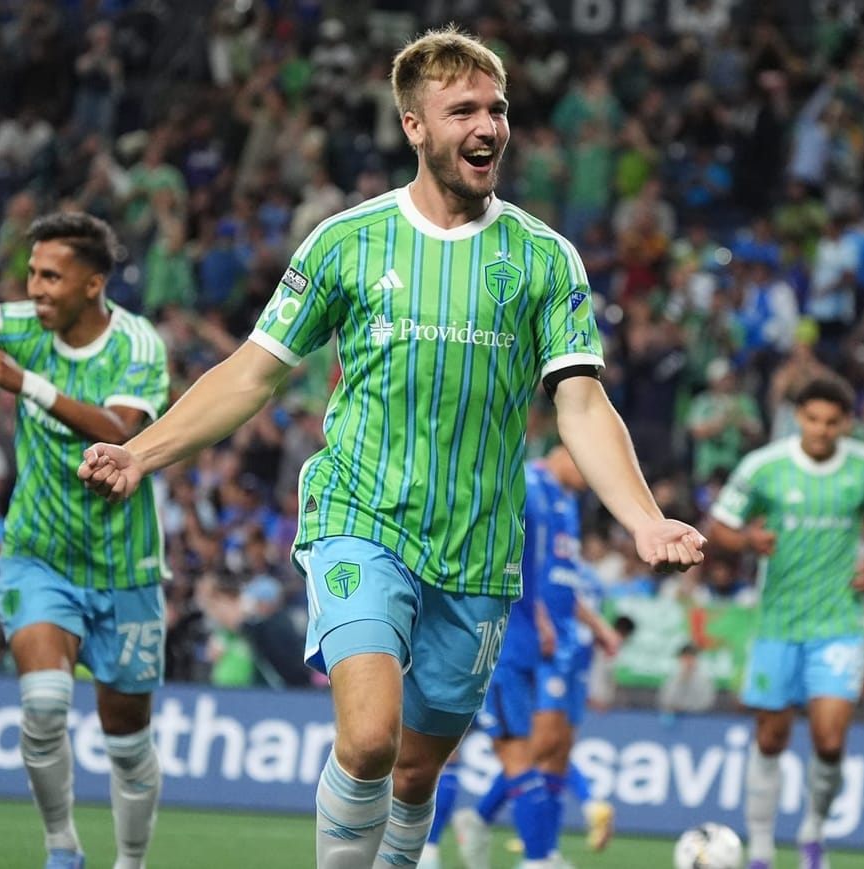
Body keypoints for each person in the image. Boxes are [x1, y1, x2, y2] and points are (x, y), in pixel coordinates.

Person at [79, 27, 705, 869]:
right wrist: (143, 452)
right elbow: (253, 373)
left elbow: (582, 404)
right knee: (370, 738)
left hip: (479, 546)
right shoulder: (346, 243)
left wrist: (642, 515)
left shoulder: (545, 258)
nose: (488, 127)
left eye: (498, 109)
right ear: (414, 126)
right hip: (361, 517)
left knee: (416, 770)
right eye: (464, 111)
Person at [0, 212, 170, 869]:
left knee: (127, 739)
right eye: (31, 272)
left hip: (124, 569)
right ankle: (62, 847)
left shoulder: (137, 343)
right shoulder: (22, 325)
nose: (36, 287)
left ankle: (131, 861)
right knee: (44, 704)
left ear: (93, 284)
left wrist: (23, 382)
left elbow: (121, 427)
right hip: (40, 558)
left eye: (51, 275)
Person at [707, 374, 864, 869]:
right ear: (797, 418)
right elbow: (717, 527)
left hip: (840, 622)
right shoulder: (763, 467)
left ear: (846, 424)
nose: (821, 430)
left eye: (832, 422)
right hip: (777, 623)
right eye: (812, 419)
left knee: (830, 740)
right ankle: (762, 850)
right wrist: (748, 541)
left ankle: (813, 832)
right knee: (770, 737)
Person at [449, 445, 623, 869]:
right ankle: (528, 848)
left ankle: (539, 847)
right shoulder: (528, 483)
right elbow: (521, 565)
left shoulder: (566, 500)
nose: (591, 478)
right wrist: (540, 617)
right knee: (536, 743)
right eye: (587, 463)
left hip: (561, 639)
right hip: (529, 634)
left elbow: (561, 577)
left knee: (557, 744)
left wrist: (596, 626)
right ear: (566, 450)